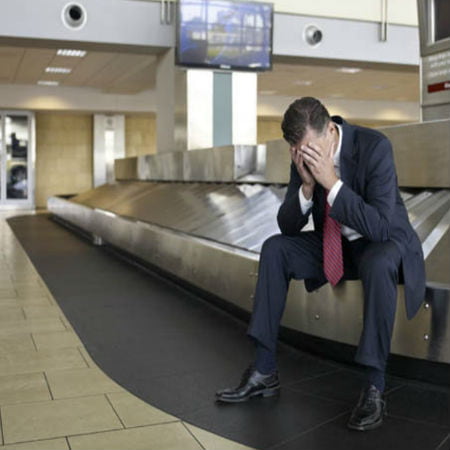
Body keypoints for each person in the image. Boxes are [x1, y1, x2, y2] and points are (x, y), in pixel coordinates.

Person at [215, 97, 426, 431]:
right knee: (275, 248)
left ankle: (374, 386)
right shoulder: (303, 156)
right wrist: (308, 188)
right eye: (298, 151)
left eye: (311, 148)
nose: (307, 156)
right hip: (336, 245)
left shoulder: (374, 147)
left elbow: (381, 227)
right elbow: (288, 224)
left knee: (379, 260)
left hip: (381, 244)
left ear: (330, 130)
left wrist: (332, 182)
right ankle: (263, 370)